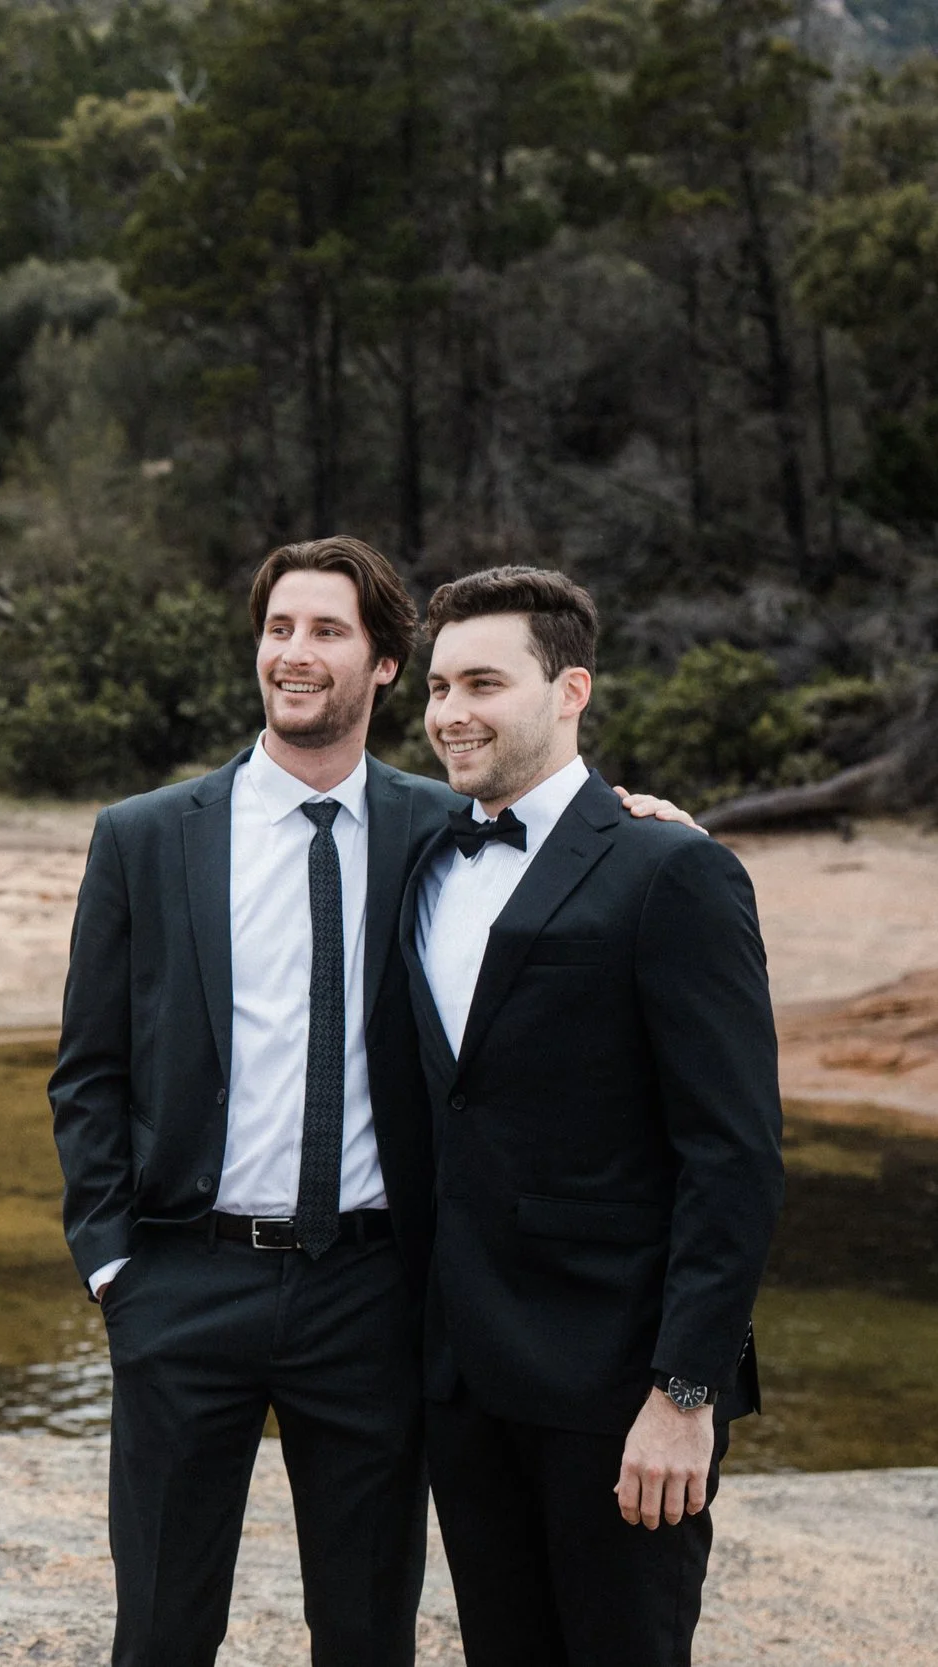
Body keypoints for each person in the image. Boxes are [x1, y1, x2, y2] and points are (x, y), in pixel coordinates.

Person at [50, 536, 692, 1667]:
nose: (293, 654)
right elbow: (89, 1068)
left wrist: (646, 824)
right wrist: (112, 1261)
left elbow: (558, 834)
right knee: (157, 1625)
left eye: (327, 630)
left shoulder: (438, 827)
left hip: (371, 1295)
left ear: (386, 664)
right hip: (182, 1279)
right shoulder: (145, 836)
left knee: (364, 1625)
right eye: (277, 628)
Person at [405, 567, 781, 1667]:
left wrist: (686, 1390)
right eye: (435, 686)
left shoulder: (672, 868)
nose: (450, 712)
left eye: (484, 681)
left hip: (616, 1389)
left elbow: (733, 1154)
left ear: (570, 688)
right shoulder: (425, 851)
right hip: (466, 1379)